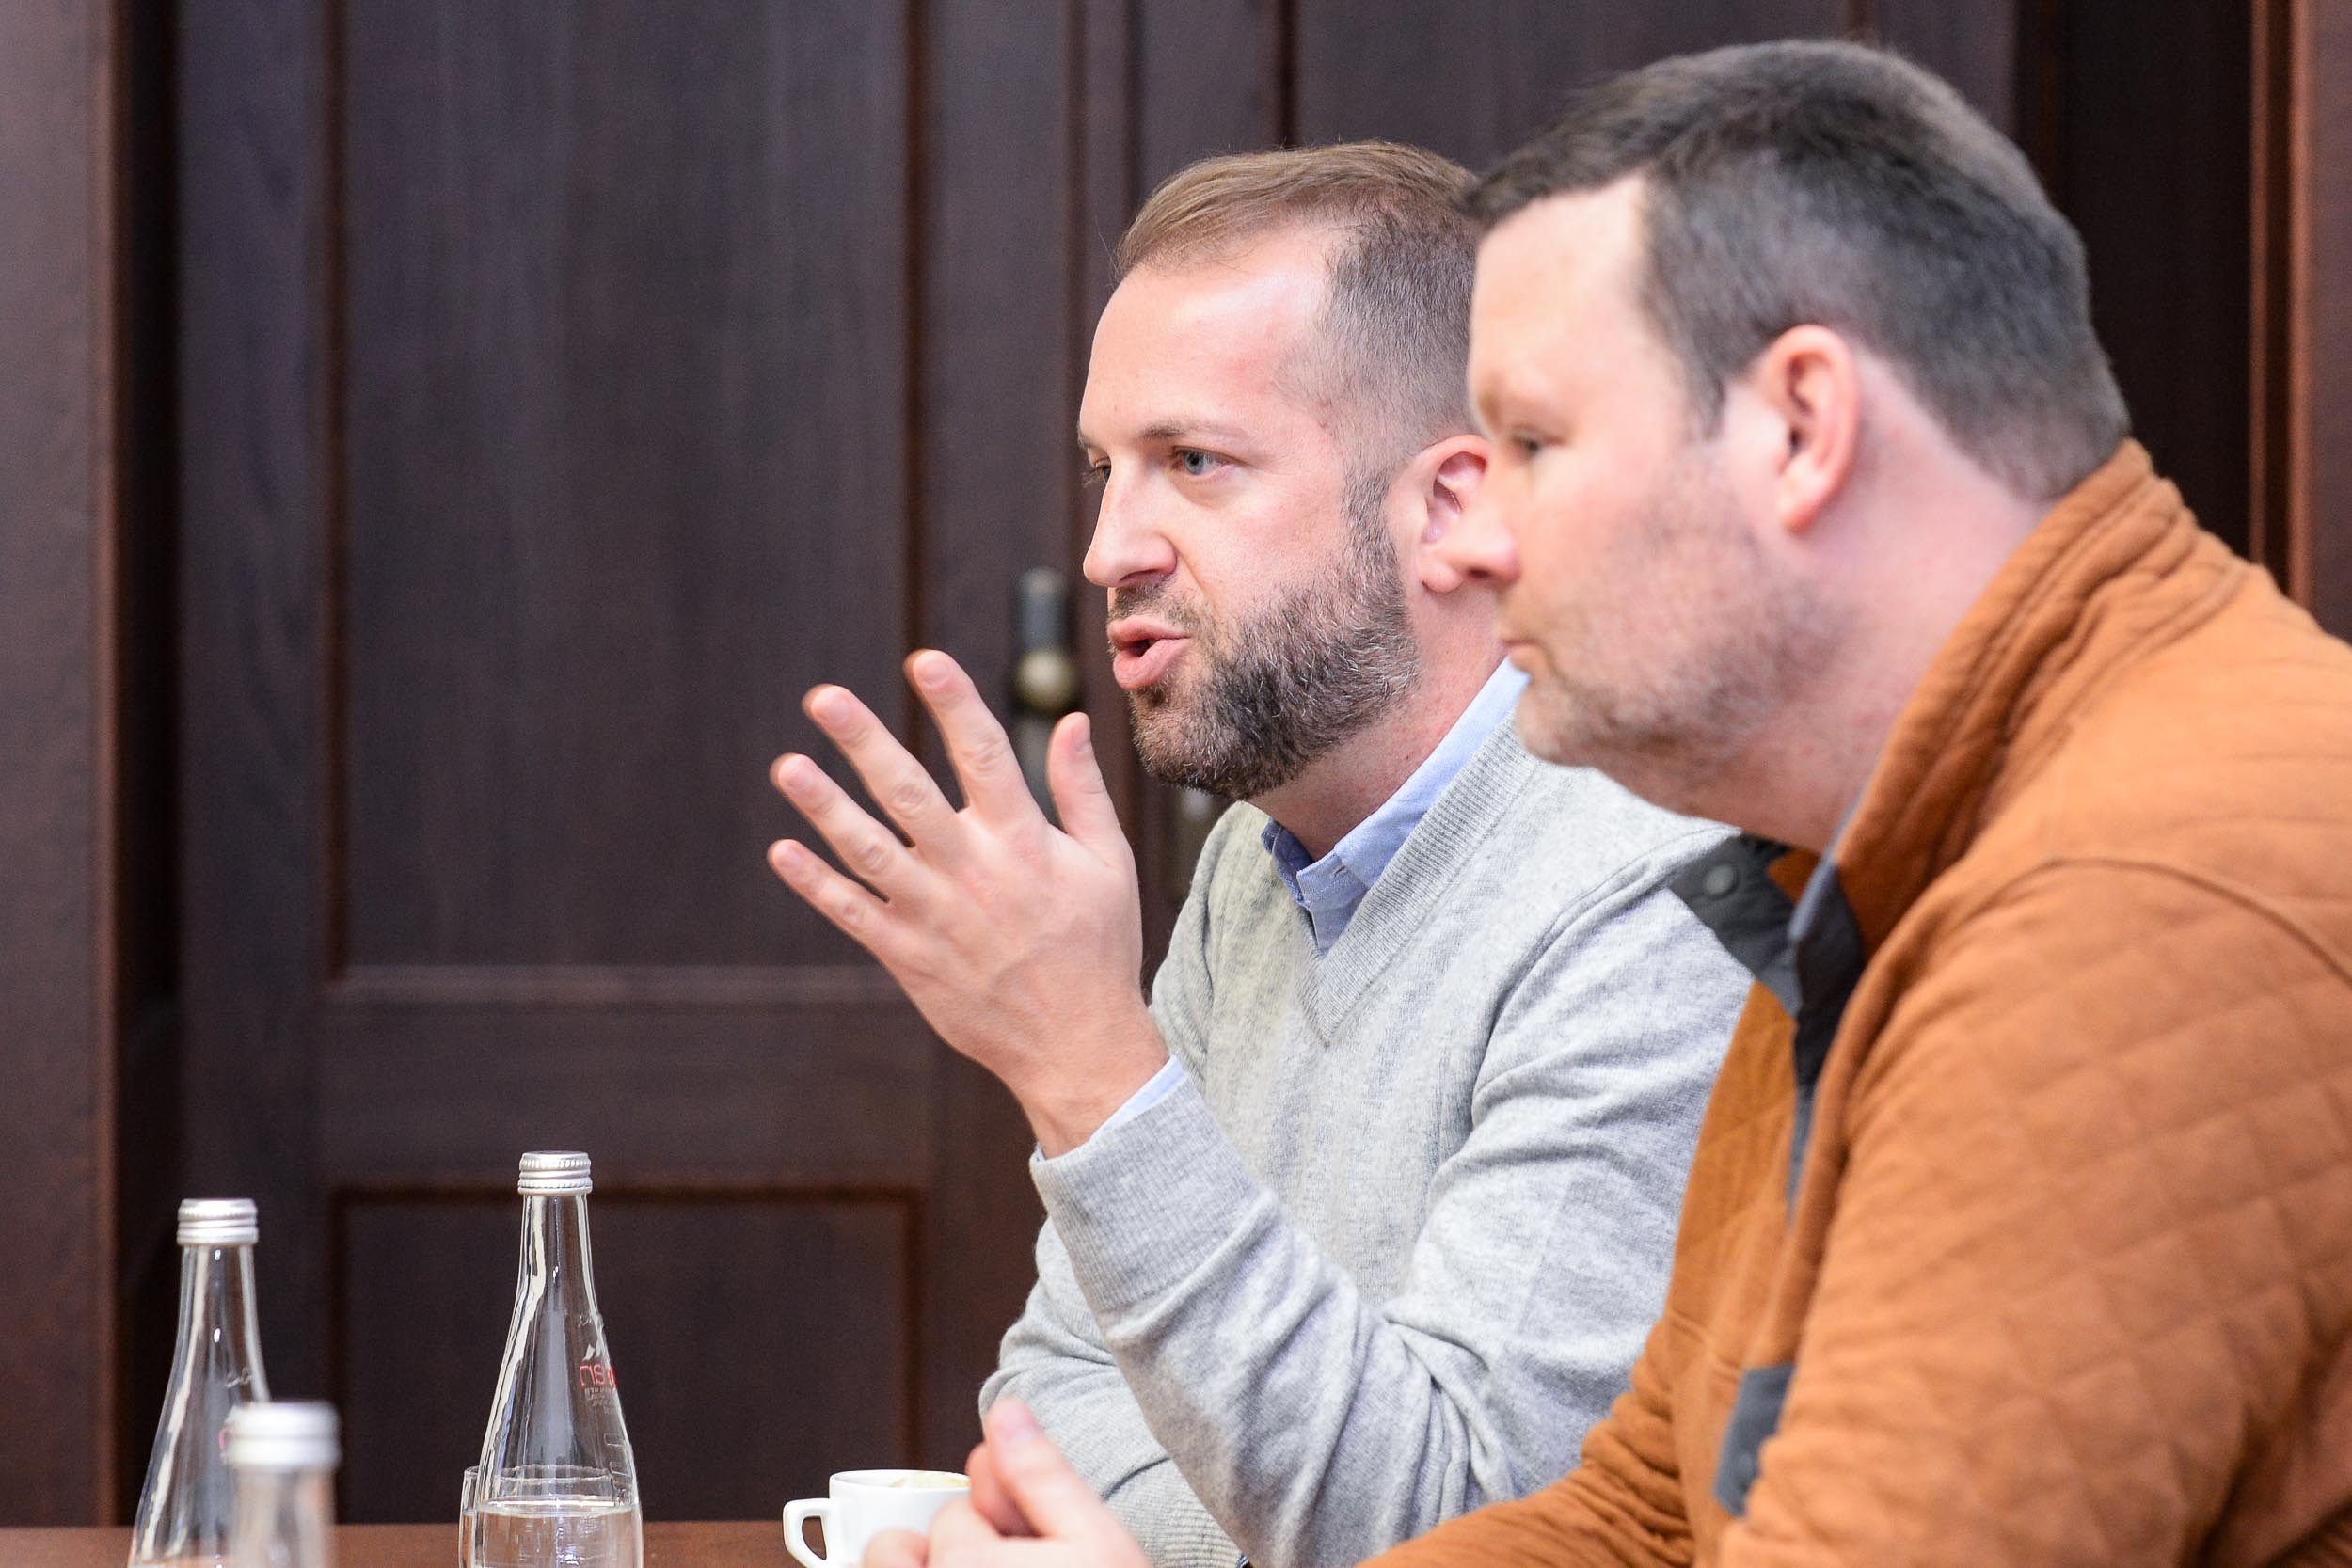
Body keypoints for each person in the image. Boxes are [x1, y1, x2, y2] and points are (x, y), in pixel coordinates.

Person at [868, 39, 2352, 1568]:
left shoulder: (2131, 889)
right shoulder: (1861, 856)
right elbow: (1639, 1513)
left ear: (1800, 428)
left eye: (1535, 446)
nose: (1476, 542)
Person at [765, 142, 1749, 1567]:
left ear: (1453, 506)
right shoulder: (1251, 869)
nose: (1109, 548)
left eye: (1194, 464)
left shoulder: (1653, 893)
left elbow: (1465, 1532)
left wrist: (1087, 1067)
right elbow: (1051, 1408)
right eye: (1104, 470)